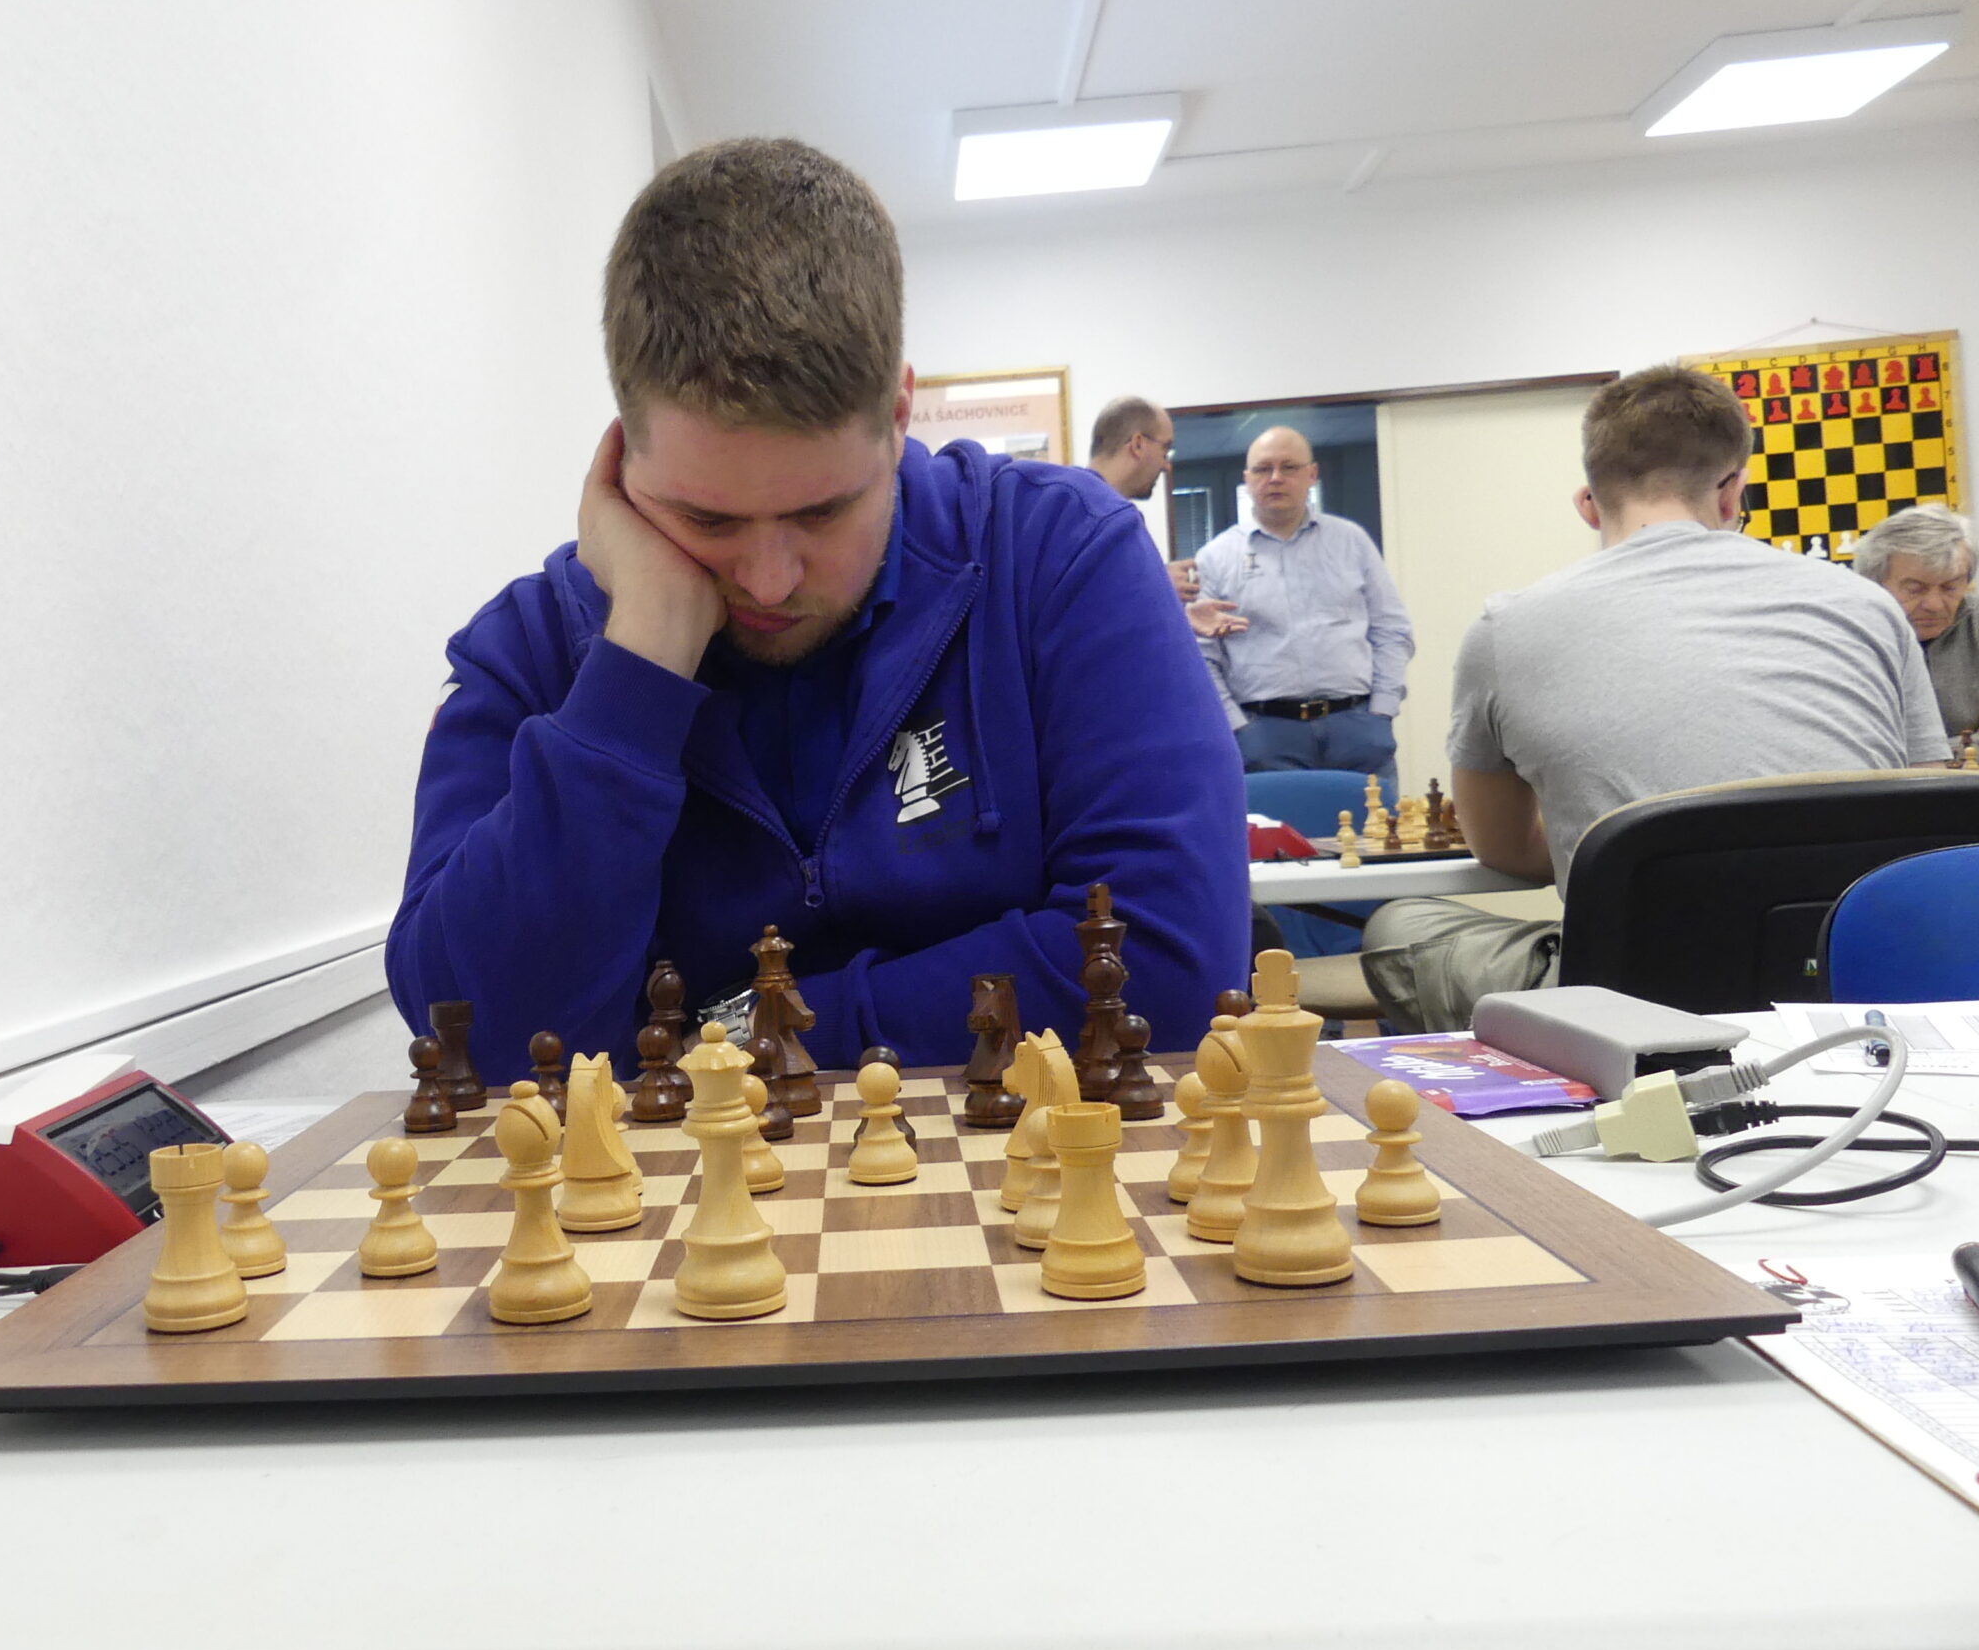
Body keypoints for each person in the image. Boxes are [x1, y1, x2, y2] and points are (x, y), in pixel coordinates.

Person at [388, 138, 1247, 1081]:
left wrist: (729, 1037)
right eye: (706, 520)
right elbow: (480, 1048)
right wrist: (636, 668)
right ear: (620, 458)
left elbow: (1165, 974)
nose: (767, 581)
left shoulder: (1060, 554)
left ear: (900, 414)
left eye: (823, 512)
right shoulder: (528, 648)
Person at [1360, 365, 1949, 1032]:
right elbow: (1925, 824)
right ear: (1732, 495)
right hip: (1854, 985)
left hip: (1632, 1001)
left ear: (1589, 504)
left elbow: (1504, 851)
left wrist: (1630, 832)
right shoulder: (1869, 606)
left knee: (1398, 925)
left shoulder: (1505, 627)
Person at [1193, 426, 1413, 796]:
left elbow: (1392, 629)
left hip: (1357, 728)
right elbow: (1201, 657)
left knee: (1375, 831)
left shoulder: (1351, 541)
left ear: (1312, 474)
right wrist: (1236, 727)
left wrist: (1382, 710)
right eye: (1263, 469)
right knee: (1279, 832)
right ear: (1247, 479)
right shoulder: (1215, 558)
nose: (1275, 478)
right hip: (1264, 734)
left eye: (1289, 467)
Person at [1088, 393, 1239, 639]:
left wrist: (1177, 615)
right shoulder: (1077, 513)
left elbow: (1109, 617)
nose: (1167, 465)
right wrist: (1155, 585)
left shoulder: (1117, 516)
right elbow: (1068, 611)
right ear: (1138, 444)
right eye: (1165, 449)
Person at [1855, 503, 1979, 741]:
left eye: (1950, 587)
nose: (1934, 605)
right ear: (1875, 583)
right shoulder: (1850, 633)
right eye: (1915, 589)